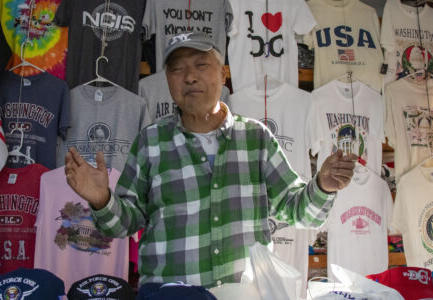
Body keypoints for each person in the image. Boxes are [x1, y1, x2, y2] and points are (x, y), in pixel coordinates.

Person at [65, 32, 357, 289]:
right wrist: (102, 199)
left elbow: (298, 211)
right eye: (177, 69)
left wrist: (323, 186)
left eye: (201, 65)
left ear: (223, 74)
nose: (190, 77)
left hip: (246, 294)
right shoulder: (150, 142)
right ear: (167, 81)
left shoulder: (256, 138)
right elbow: (123, 224)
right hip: (170, 295)